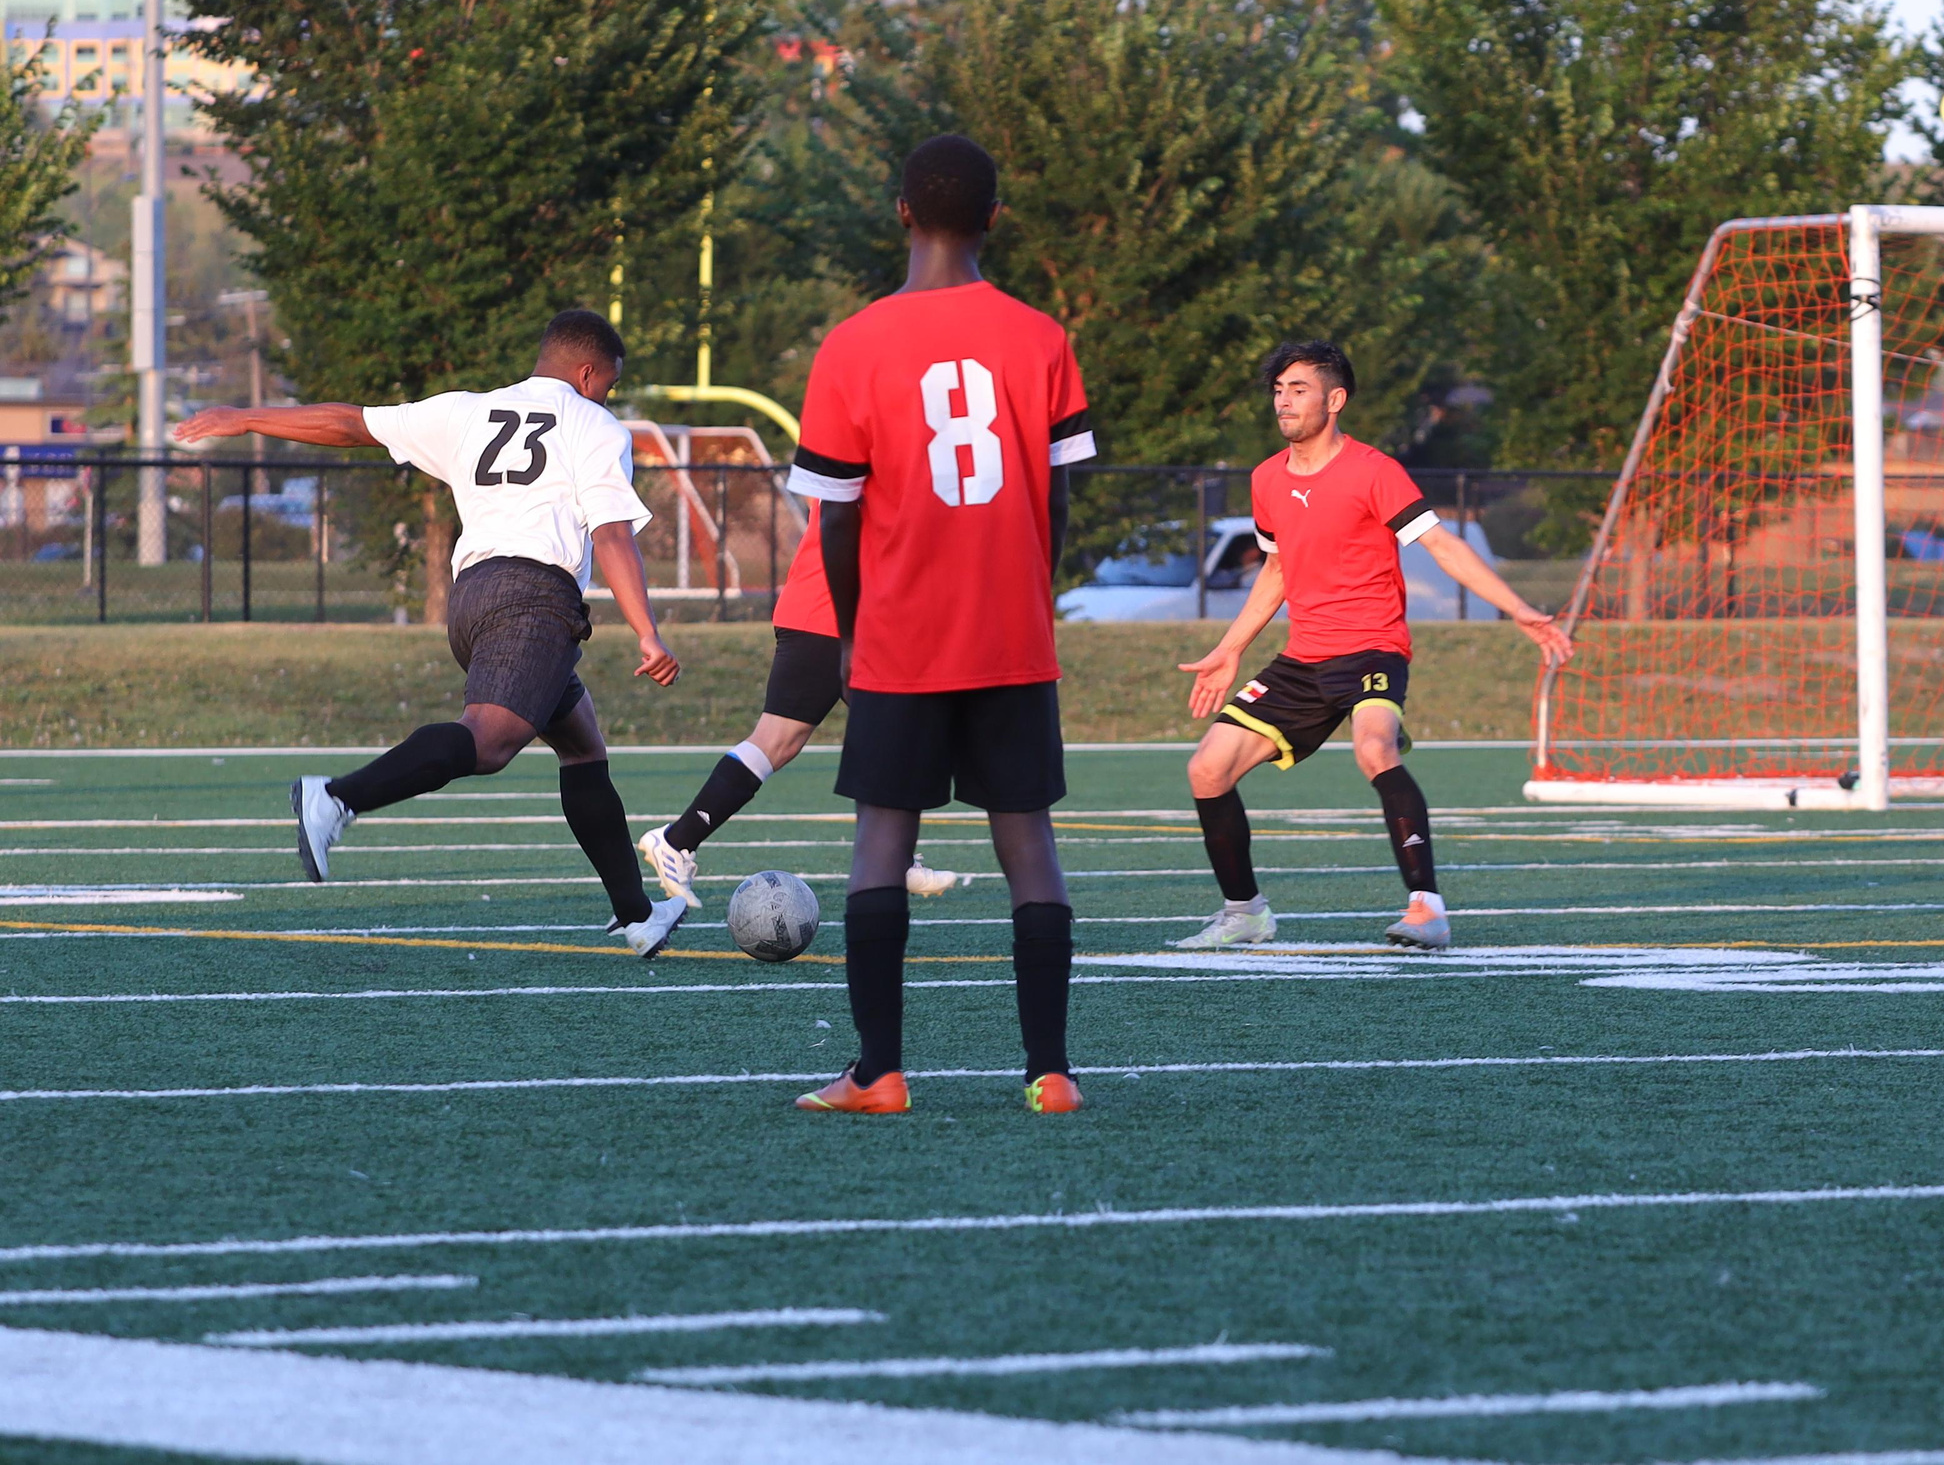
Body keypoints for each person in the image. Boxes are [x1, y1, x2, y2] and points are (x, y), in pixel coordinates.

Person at [170, 310, 691, 955]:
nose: (606, 396)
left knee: (582, 746)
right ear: (587, 373)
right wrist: (648, 633)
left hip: (471, 598)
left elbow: (349, 422)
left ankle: (637, 916)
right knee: (491, 742)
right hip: (533, 601)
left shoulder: (468, 411)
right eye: (607, 385)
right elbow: (612, 534)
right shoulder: (595, 425)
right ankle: (335, 798)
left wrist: (246, 417)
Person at [787, 134, 1096, 1118]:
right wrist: (1025, 588)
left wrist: (847, 629)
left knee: (882, 839)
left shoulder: (852, 343)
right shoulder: (1042, 337)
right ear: (996, 220)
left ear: (901, 213)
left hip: (899, 633)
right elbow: (1060, 494)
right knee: (1030, 847)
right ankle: (1049, 1071)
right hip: (1010, 633)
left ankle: (879, 1072)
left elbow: (835, 515)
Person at [1171, 341, 1573, 952]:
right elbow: (1276, 571)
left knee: (1374, 748)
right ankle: (1244, 913)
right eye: (1278, 389)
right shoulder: (1266, 479)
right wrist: (1229, 650)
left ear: (1335, 400)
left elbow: (1442, 546)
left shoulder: (1374, 471)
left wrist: (1516, 609)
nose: (1284, 400)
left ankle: (1426, 909)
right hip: (1303, 658)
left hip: (1371, 651)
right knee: (1207, 768)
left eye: (1299, 388)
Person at [634, 511, 957, 910]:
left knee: (875, 733)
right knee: (793, 738)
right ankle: (675, 840)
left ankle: (677, 840)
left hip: (842, 613)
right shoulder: (875, 451)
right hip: (831, 615)